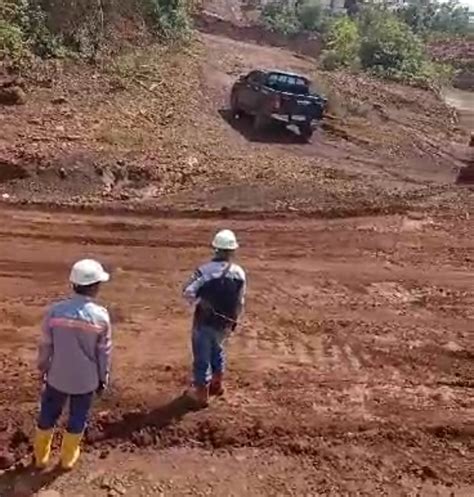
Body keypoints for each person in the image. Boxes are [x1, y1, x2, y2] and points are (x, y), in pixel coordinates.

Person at [33, 259, 112, 470]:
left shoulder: (55, 311)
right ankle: (67, 459)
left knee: (48, 414)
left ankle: (41, 457)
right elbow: (103, 352)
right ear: (95, 287)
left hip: (57, 376)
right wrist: (103, 378)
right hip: (85, 381)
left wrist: (42, 368)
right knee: (78, 417)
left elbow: (46, 344)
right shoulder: (101, 317)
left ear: (73, 284)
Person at [183, 229, 246, 407]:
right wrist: (235, 320)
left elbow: (188, 292)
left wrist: (199, 301)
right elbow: (240, 301)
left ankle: (202, 395)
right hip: (225, 322)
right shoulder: (239, 273)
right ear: (232, 251)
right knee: (218, 351)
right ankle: (217, 385)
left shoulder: (204, 271)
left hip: (204, 321)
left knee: (201, 357)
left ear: (215, 249)